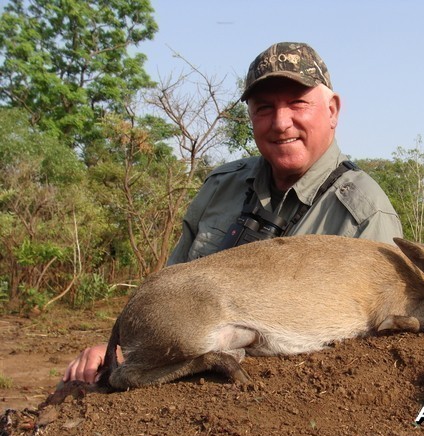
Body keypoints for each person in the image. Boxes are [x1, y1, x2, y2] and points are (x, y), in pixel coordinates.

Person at [63, 42, 403, 384]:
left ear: (332, 110)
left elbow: (375, 351)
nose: (281, 123)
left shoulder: (365, 213)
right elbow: (171, 292)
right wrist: (120, 352)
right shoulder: (220, 186)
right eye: (265, 108)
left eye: (298, 103)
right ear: (251, 116)